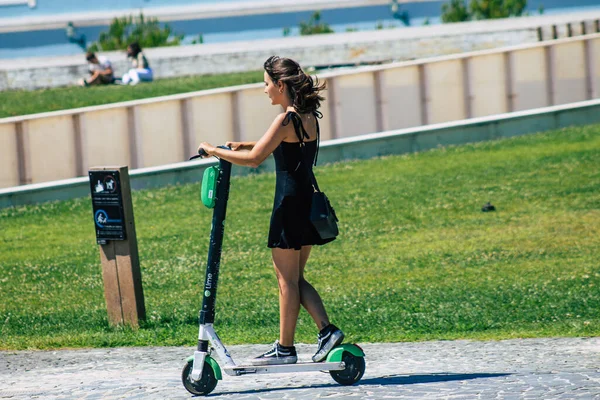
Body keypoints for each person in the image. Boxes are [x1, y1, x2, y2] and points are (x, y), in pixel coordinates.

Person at [197, 56, 344, 366]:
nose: (264, 90)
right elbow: (281, 145)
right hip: (306, 206)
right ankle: (323, 334)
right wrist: (242, 144)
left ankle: (289, 346)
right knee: (296, 279)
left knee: (286, 280)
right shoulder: (307, 118)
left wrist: (213, 150)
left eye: (266, 84)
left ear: (280, 86)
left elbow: (255, 159)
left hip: (288, 208)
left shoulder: (284, 120)